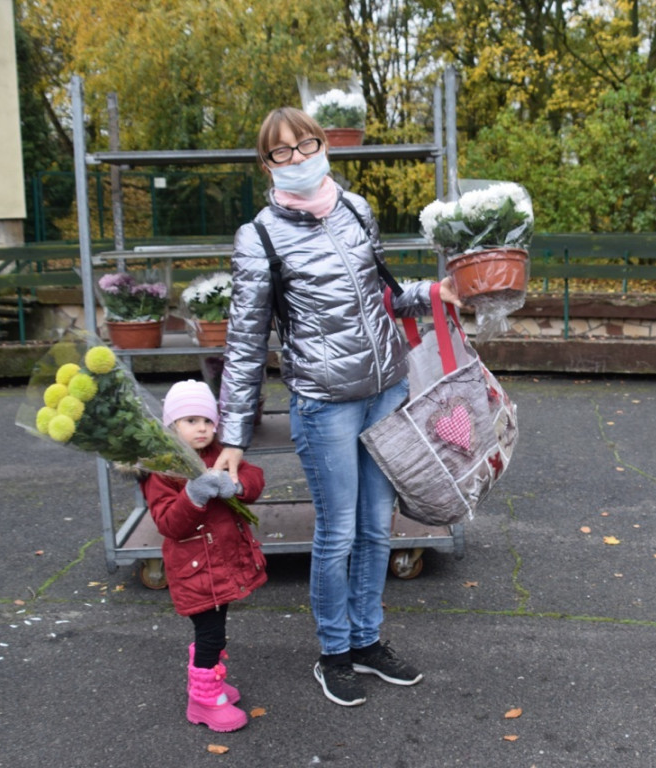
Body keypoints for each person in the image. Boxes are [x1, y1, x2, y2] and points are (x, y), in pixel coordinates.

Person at [214, 106, 462, 707]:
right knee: (338, 534)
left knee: (378, 527)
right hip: (325, 406)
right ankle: (334, 653)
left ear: (324, 145)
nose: (298, 157)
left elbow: (381, 294)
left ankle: (368, 641)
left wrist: (430, 293)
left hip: (385, 392)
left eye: (306, 144)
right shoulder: (260, 238)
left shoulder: (356, 210)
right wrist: (232, 435)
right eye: (281, 152)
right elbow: (245, 345)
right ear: (265, 164)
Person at [140, 379, 267, 731]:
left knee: (215, 632)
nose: (202, 428)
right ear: (171, 426)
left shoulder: (218, 453)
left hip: (221, 566)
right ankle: (204, 700)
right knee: (210, 634)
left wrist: (237, 484)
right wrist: (193, 494)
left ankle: (210, 678)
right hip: (197, 573)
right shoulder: (162, 468)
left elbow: (254, 476)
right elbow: (169, 522)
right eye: (190, 420)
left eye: (208, 421)